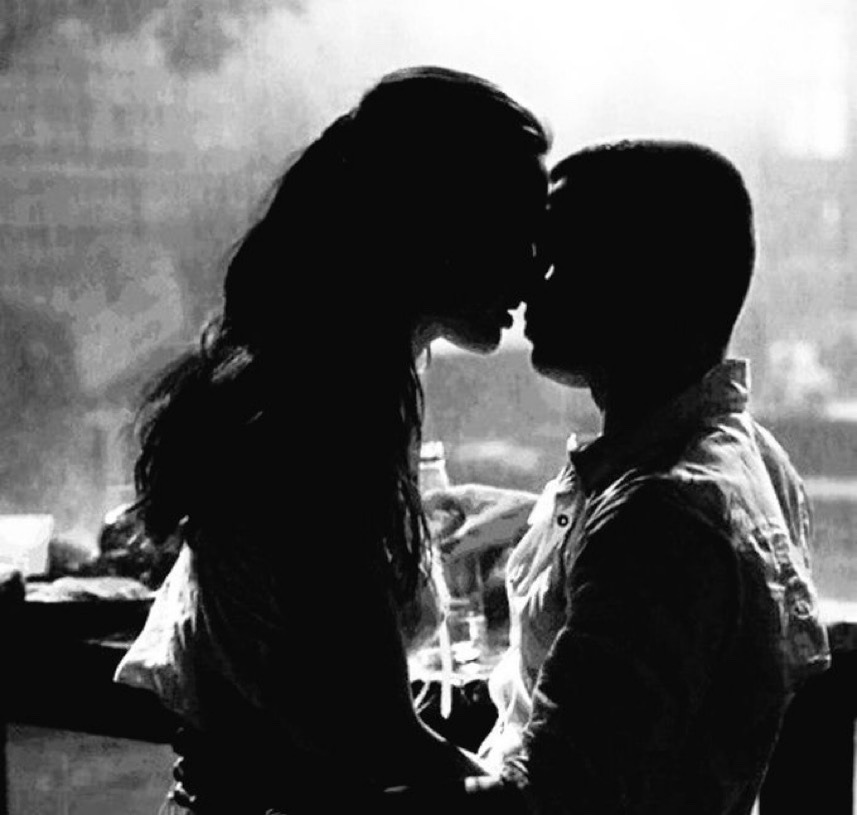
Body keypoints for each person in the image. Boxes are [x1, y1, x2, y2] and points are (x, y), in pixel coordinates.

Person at [113, 66, 550, 814]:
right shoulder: (313, 433)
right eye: (518, 230)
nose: (536, 265)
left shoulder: (332, 396)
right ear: (437, 232)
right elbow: (377, 740)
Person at [381, 139, 831, 815]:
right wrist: (539, 525)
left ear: (648, 285)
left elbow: (549, 799)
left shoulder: (659, 522)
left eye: (563, 258)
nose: (531, 283)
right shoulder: (746, 455)